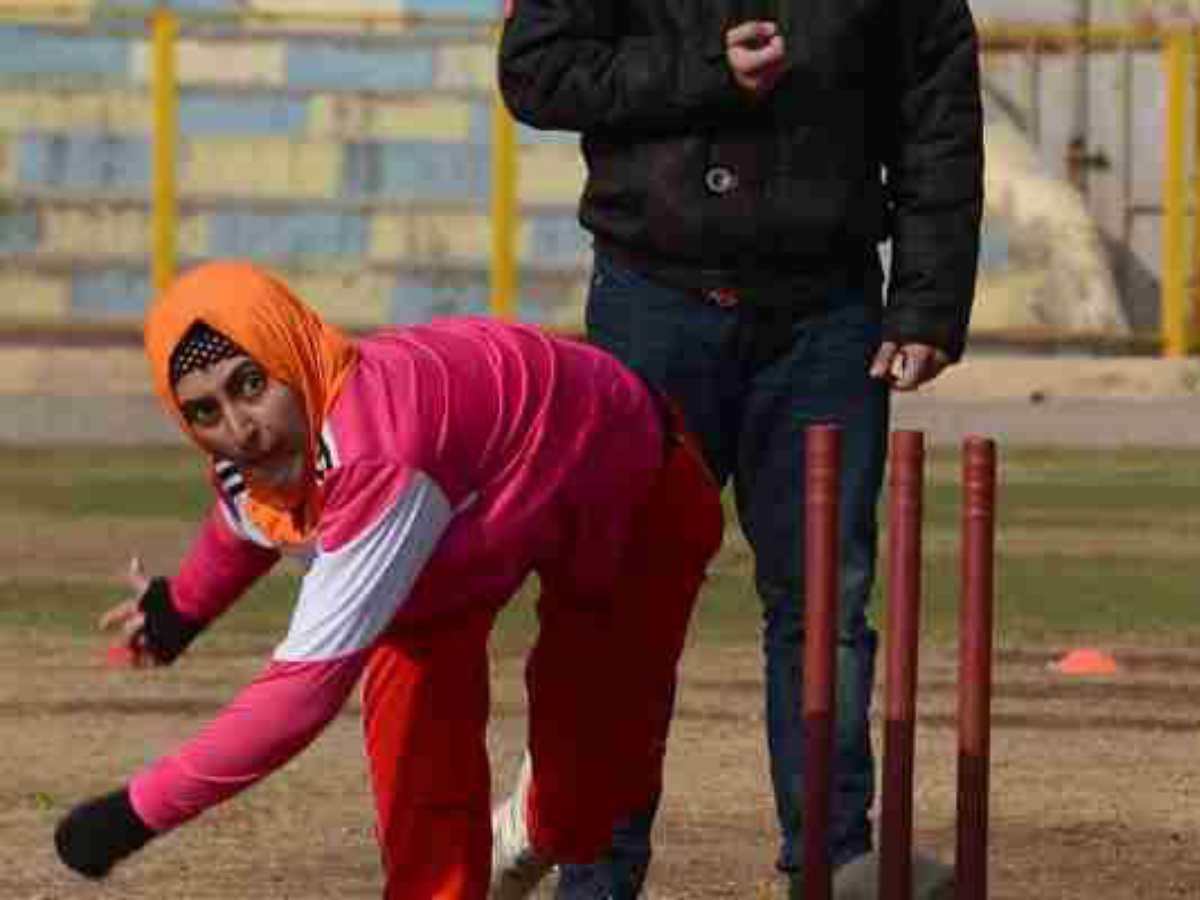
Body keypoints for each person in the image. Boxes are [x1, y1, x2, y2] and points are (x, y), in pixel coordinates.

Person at [499, 0, 983, 896]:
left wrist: (928, 302)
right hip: (654, 301)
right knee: (619, 603)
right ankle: (597, 872)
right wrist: (703, 71)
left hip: (826, 316)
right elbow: (536, 73)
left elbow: (938, 110)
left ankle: (832, 867)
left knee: (824, 607)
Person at [51, 260, 723, 900]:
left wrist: (133, 814)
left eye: (250, 384)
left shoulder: (377, 458)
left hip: (626, 485)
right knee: (415, 739)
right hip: (465, 511)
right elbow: (246, 519)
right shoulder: (267, 444)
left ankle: (522, 832)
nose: (239, 429)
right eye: (204, 411)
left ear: (290, 350)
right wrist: (180, 610)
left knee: (578, 814)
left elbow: (301, 697)